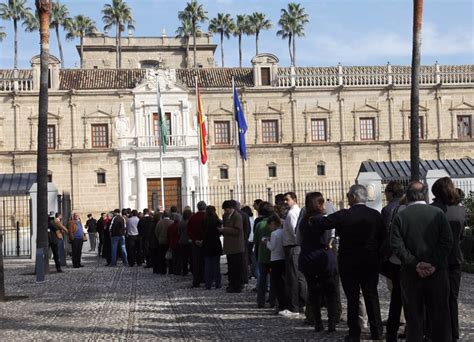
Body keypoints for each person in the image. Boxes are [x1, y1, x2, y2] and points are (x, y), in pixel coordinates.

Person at [319, 184, 385, 341]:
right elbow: (384, 237)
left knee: (353, 297)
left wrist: (313, 217)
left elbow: (324, 223)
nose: (347, 198)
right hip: (370, 260)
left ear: (354, 197)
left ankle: (354, 332)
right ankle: (377, 330)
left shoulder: (344, 215)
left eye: (348, 195)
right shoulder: (375, 215)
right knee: (371, 295)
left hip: (349, 261)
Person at [390, 181, 453, 342]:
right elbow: (447, 241)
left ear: (408, 195)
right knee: (440, 317)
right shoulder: (438, 214)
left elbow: (396, 245)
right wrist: (434, 263)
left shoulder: (400, 217)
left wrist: (415, 263)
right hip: (437, 273)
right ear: (425, 194)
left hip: (411, 274)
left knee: (414, 319)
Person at [431, 177, 466, 341]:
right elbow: (462, 236)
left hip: (437, 258)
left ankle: (438, 331)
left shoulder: (432, 210)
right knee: (452, 297)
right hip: (455, 257)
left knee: (437, 298)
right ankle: (454, 332)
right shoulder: (460, 210)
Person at [299, 192, 339, 333]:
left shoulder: (304, 220)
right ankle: (332, 322)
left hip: (308, 256)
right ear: (321, 203)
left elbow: (299, 237)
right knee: (331, 292)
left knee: (313, 291)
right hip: (323, 257)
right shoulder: (323, 219)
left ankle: (317, 322)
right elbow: (329, 238)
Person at [380, 181, 406, 342]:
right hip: (408, 258)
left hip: (394, 258)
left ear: (390, 193)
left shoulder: (388, 209)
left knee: (395, 291)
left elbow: (385, 234)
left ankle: (396, 324)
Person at [281, 192, 306, 317]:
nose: (285, 202)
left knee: (293, 277)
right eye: (284, 200)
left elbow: (295, 232)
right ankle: (302, 304)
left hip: (293, 247)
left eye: (287, 199)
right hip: (295, 247)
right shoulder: (296, 212)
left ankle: (294, 307)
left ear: (294, 200)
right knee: (299, 277)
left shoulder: (292, 213)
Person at [219, 200, 244, 293]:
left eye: (226, 209)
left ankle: (237, 285)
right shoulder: (226, 216)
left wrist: (224, 229)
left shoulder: (237, 216)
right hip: (229, 246)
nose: (225, 211)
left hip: (236, 245)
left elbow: (238, 230)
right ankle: (232, 284)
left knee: (237, 267)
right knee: (231, 267)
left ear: (231, 208)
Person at [253, 202, 274, 308]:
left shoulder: (259, 224)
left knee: (262, 278)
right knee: (274, 279)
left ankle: (260, 301)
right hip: (274, 255)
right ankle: (272, 300)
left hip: (262, 254)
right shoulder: (276, 223)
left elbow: (256, 240)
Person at [265, 214, 287, 314]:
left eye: (269, 225)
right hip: (283, 258)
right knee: (283, 283)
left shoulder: (274, 234)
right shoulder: (283, 232)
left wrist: (265, 241)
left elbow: (271, 247)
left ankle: (281, 304)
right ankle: (284, 303)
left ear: (273, 224)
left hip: (275, 259)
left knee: (277, 284)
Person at [202, 206, 223, 289]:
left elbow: (202, 232)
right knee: (216, 265)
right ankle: (218, 283)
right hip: (216, 244)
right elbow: (220, 232)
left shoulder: (204, 221)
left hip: (207, 244)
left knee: (207, 265)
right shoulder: (217, 221)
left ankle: (208, 284)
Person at [187, 201, 207, 287]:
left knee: (196, 262)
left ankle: (197, 280)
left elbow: (189, 231)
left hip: (195, 243)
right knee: (206, 261)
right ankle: (206, 278)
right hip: (206, 242)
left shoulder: (193, 218)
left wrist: (195, 240)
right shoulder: (208, 217)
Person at [155, 210, 173, 274]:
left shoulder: (159, 222)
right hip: (169, 241)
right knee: (170, 256)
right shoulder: (171, 222)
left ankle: (163, 270)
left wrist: (159, 238)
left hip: (161, 241)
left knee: (162, 256)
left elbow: (156, 232)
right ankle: (171, 270)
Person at [177, 209, 193, 276]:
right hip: (190, 241)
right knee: (191, 257)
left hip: (182, 241)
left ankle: (184, 271)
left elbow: (179, 233)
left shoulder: (180, 222)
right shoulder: (191, 222)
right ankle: (192, 270)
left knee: (184, 258)